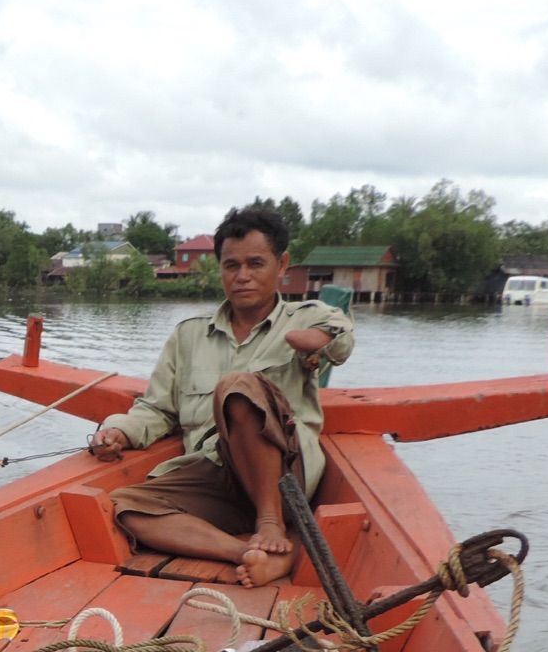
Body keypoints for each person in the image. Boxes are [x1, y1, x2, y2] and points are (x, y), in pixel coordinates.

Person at [88, 205, 354, 587]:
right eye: (231, 266)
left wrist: (319, 340)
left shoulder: (306, 317)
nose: (242, 276)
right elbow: (157, 409)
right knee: (125, 506)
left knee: (238, 386)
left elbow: (342, 337)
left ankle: (270, 522)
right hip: (217, 474)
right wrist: (118, 431)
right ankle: (246, 553)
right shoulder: (188, 335)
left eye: (256, 263)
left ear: (282, 265)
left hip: (285, 474)